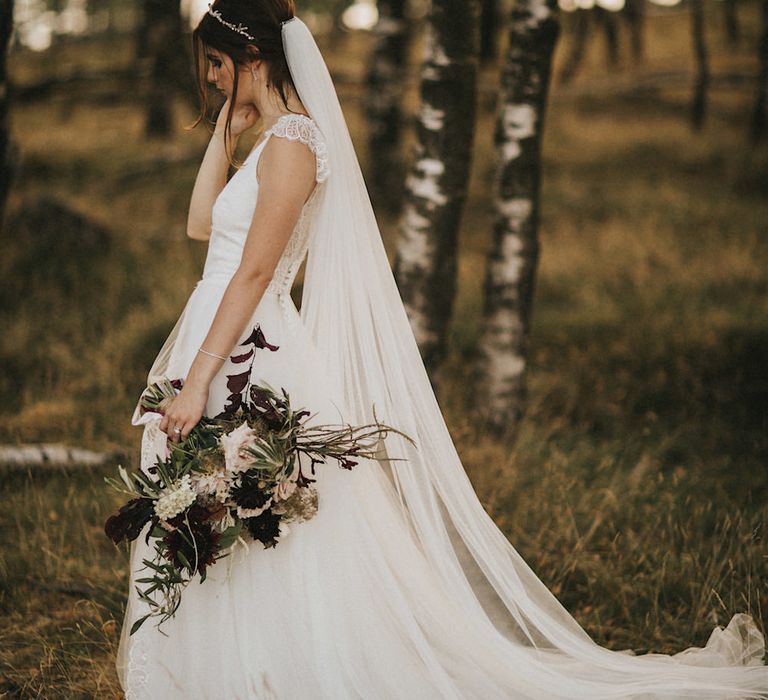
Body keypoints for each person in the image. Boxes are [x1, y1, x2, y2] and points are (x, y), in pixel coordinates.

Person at [116, 1, 768, 697]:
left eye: (217, 66)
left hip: (247, 348)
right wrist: (226, 126)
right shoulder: (264, 137)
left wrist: (199, 381)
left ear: (253, 58)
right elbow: (198, 226)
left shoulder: (296, 143)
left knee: (257, 506)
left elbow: (251, 273)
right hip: (215, 331)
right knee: (210, 500)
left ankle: (287, 661)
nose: (212, 80)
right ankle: (216, 659)